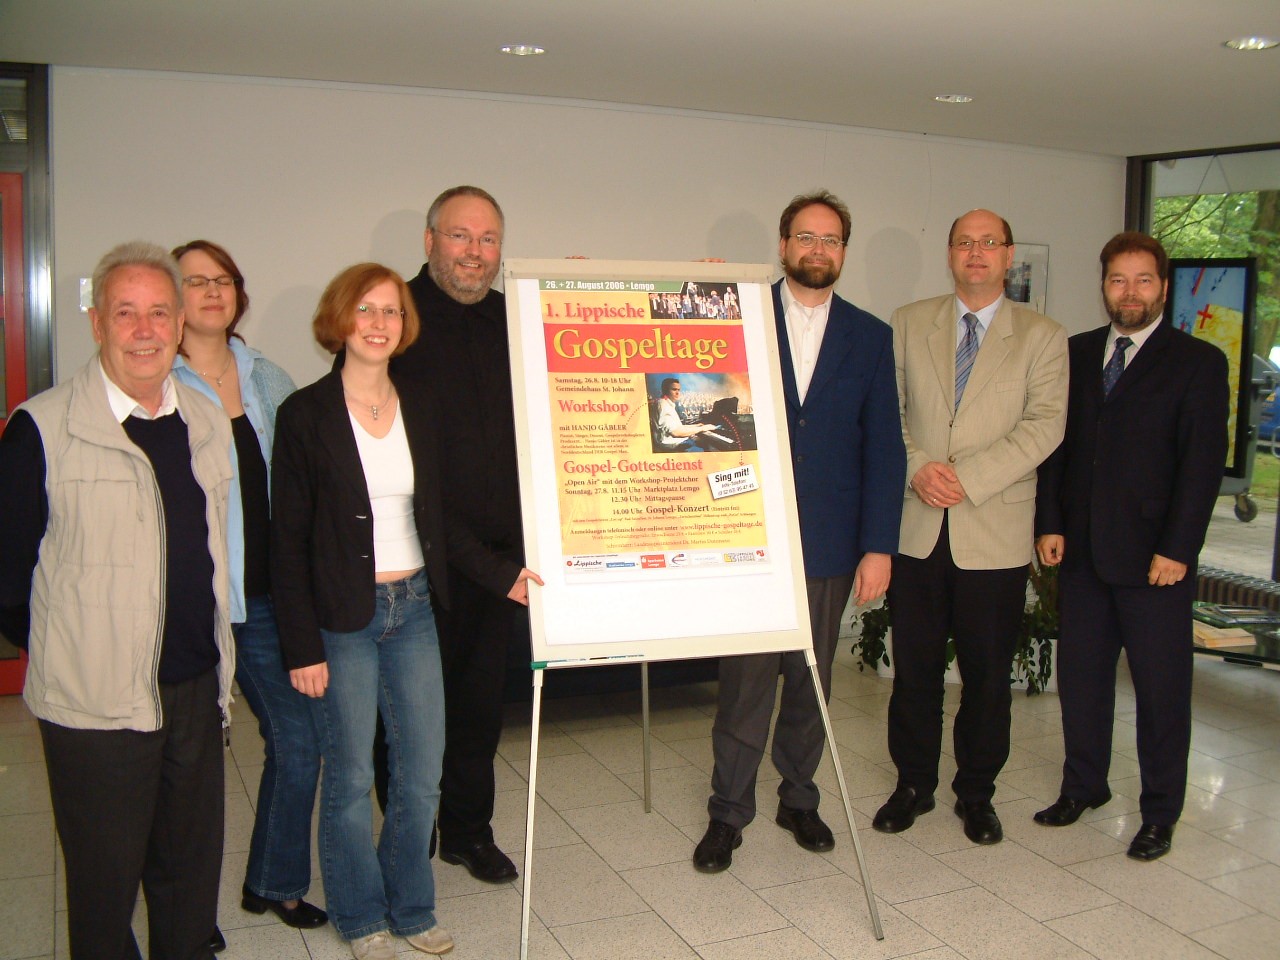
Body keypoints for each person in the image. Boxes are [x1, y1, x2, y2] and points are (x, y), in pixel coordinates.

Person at [272, 263, 540, 959]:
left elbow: (441, 518)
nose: (379, 323)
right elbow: (287, 543)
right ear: (340, 319)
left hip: (415, 607)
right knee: (352, 778)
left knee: (421, 774)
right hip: (342, 619)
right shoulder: (305, 414)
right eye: (365, 309)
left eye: (391, 311)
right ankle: (361, 917)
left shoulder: (420, 403)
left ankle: (412, 907)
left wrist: (501, 575)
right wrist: (301, 646)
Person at [0, 241, 234, 959]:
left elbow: (211, 551)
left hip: (194, 690)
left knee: (189, 881)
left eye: (159, 312)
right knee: (104, 891)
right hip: (95, 703)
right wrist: (78, 651)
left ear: (179, 323)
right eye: (125, 313)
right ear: (97, 322)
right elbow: (8, 581)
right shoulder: (42, 428)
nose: (144, 330)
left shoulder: (205, 420)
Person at [693, 190, 906, 872]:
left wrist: (878, 546)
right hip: (750, 536)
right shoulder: (740, 316)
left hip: (831, 542)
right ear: (784, 246)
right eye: (806, 237)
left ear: (843, 251)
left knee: (811, 681)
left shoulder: (870, 336)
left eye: (831, 239)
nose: (818, 249)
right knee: (745, 686)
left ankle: (798, 798)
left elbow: (885, 448)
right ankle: (728, 812)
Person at [1032, 231, 1228, 861]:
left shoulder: (1197, 362)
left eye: (1143, 280)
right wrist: (1049, 522)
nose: (1131, 292)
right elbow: (1056, 448)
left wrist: (1179, 548)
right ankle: (1083, 787)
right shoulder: (1076, 352)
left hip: (1155, 563)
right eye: (1119, 280)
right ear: (1104, 286)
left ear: (1163, 287)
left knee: (1161, 693)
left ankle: (1160, 812)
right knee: (1082, 682)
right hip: (1083, 555)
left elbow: (1201, 467)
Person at [874, 209, 1068, 846]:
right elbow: (889, 412)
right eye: (964, 242)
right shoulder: (909, 323)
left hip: (993, 530)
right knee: (916, 672)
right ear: (950, 253)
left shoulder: (1043, 335)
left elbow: (1045, 425)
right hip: (919, 526)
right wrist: (918, 468)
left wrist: (968, 477)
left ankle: (977, 793)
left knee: (986, 677)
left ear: (1009, 255)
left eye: (989, 243)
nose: (976, 253)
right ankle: (913, 785)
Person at [170, 240, 326, 931]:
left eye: (223, 280)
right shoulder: (159, 381)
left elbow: (304, 484)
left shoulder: (268, 376)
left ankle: (275, 881)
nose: (212, 291)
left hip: (264, 600)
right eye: (195, 281)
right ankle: (184, 915)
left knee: (300, 741)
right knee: (187, 763)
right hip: (189, 602)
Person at [380, 185, 528, 883]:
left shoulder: (513, 320)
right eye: (461, 235)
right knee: (405, 718)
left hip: (497, 564)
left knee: (477, 710)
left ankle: (468, 831)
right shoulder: (393, 322)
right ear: (429, 240)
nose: (475, 252)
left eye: (488, 239)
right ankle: (407, 840)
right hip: (415, 562)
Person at [654, 377, 719, 451]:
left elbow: (677, 427)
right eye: (674, 389)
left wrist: (696, 426)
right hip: (671, 444)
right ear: (665, 391)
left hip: (672, 442)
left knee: (702, 442)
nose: (677, 393)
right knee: (708, 447)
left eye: (678, 390)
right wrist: (703, 428)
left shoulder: (666, 403)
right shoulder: (664, 406)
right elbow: (676, 432)